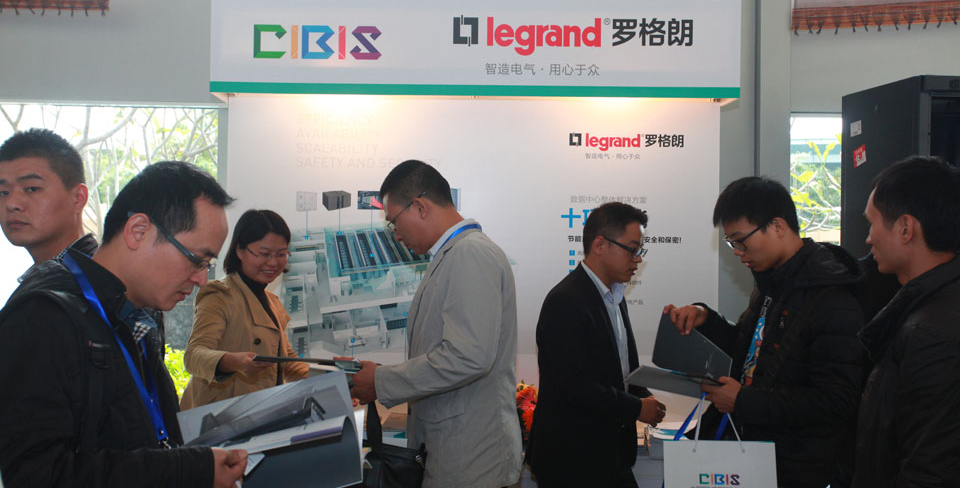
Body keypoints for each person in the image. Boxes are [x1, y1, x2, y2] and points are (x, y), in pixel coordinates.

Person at [0, 161, 246, 488]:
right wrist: (187, 470)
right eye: (196, 260)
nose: (202, 279)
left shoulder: (137, 315)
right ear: (138, 231)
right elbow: (38, 476)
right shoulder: (42, 318)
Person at [664, 176, 864, 488]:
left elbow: (835, 400)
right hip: (757, 457)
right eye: (731, 242)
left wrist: (743, 401)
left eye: (740, 240)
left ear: (778, 226)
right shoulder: (771, 285)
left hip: (797, 467)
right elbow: (750, 352)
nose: (737, 251)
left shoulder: (831, 297)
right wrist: (706, 319)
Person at [349, 160, 522, 488]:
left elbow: (467, 357)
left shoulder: (470, 255)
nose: (396, 235)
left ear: (420, 207)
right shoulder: (451, 255)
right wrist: (380, 374)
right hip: (456, 453)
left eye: (393, 222)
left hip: (472, 461)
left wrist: (382, 381)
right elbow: (445, 352)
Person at [527, 202, 666, 488]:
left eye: (640, 250)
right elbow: (571, 385)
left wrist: (644, 397)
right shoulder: (565, 300)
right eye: (632, 249)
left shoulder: (615, 296)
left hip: (610, 455)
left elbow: (619, 371)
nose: (638, 259)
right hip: (572, 460)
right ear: (600, 244)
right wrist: (635, 407)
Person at [852, 156, 960, 487]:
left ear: (905, 228)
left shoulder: (932, 332)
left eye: (871, 223)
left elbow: (930, 471)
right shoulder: (931, 307)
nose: (868, 239)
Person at [180, 209, 308, 409]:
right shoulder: (220, 295)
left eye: (281, 254)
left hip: (258, 412)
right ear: (240, 251)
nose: (273, 262)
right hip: (221, 416)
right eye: (264, 254)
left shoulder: (272, 301)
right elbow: (194, 355)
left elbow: (286, 361)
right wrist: (231, 361)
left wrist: (336, 375)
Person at [0, 128, 95, 264]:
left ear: (78, 198)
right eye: (3, 192)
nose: (11, 204)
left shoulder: (91, 274)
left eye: (32, 189)